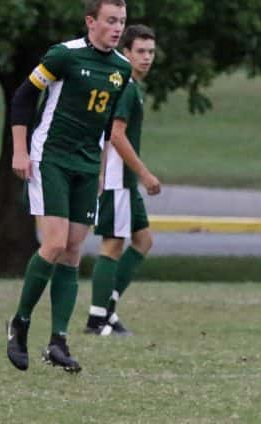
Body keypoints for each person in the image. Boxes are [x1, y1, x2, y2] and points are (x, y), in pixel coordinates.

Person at [6, 0, 130, 373]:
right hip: (51, 158)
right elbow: (23, 97)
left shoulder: (121, 69)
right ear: (91, 21)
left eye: (122, 22)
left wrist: (102, 171)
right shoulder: (64, 56)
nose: (117, 28)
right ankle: (20, 324)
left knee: (74, 252)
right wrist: (19, 151)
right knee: (55, 244)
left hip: (86, 164)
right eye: (110, 20)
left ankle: (58, 341)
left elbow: (108, 125)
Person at [85, 24, 160, 337]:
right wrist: (144, 173)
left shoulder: (132, 87)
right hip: (119, 178)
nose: (146, 58)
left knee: (143, 241)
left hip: (124, 180)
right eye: (140, 52)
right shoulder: (126, 86)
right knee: (113, 245)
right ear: (125, 53)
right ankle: (96, 319)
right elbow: (115, 135)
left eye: (151, 52)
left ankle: (108, 308)